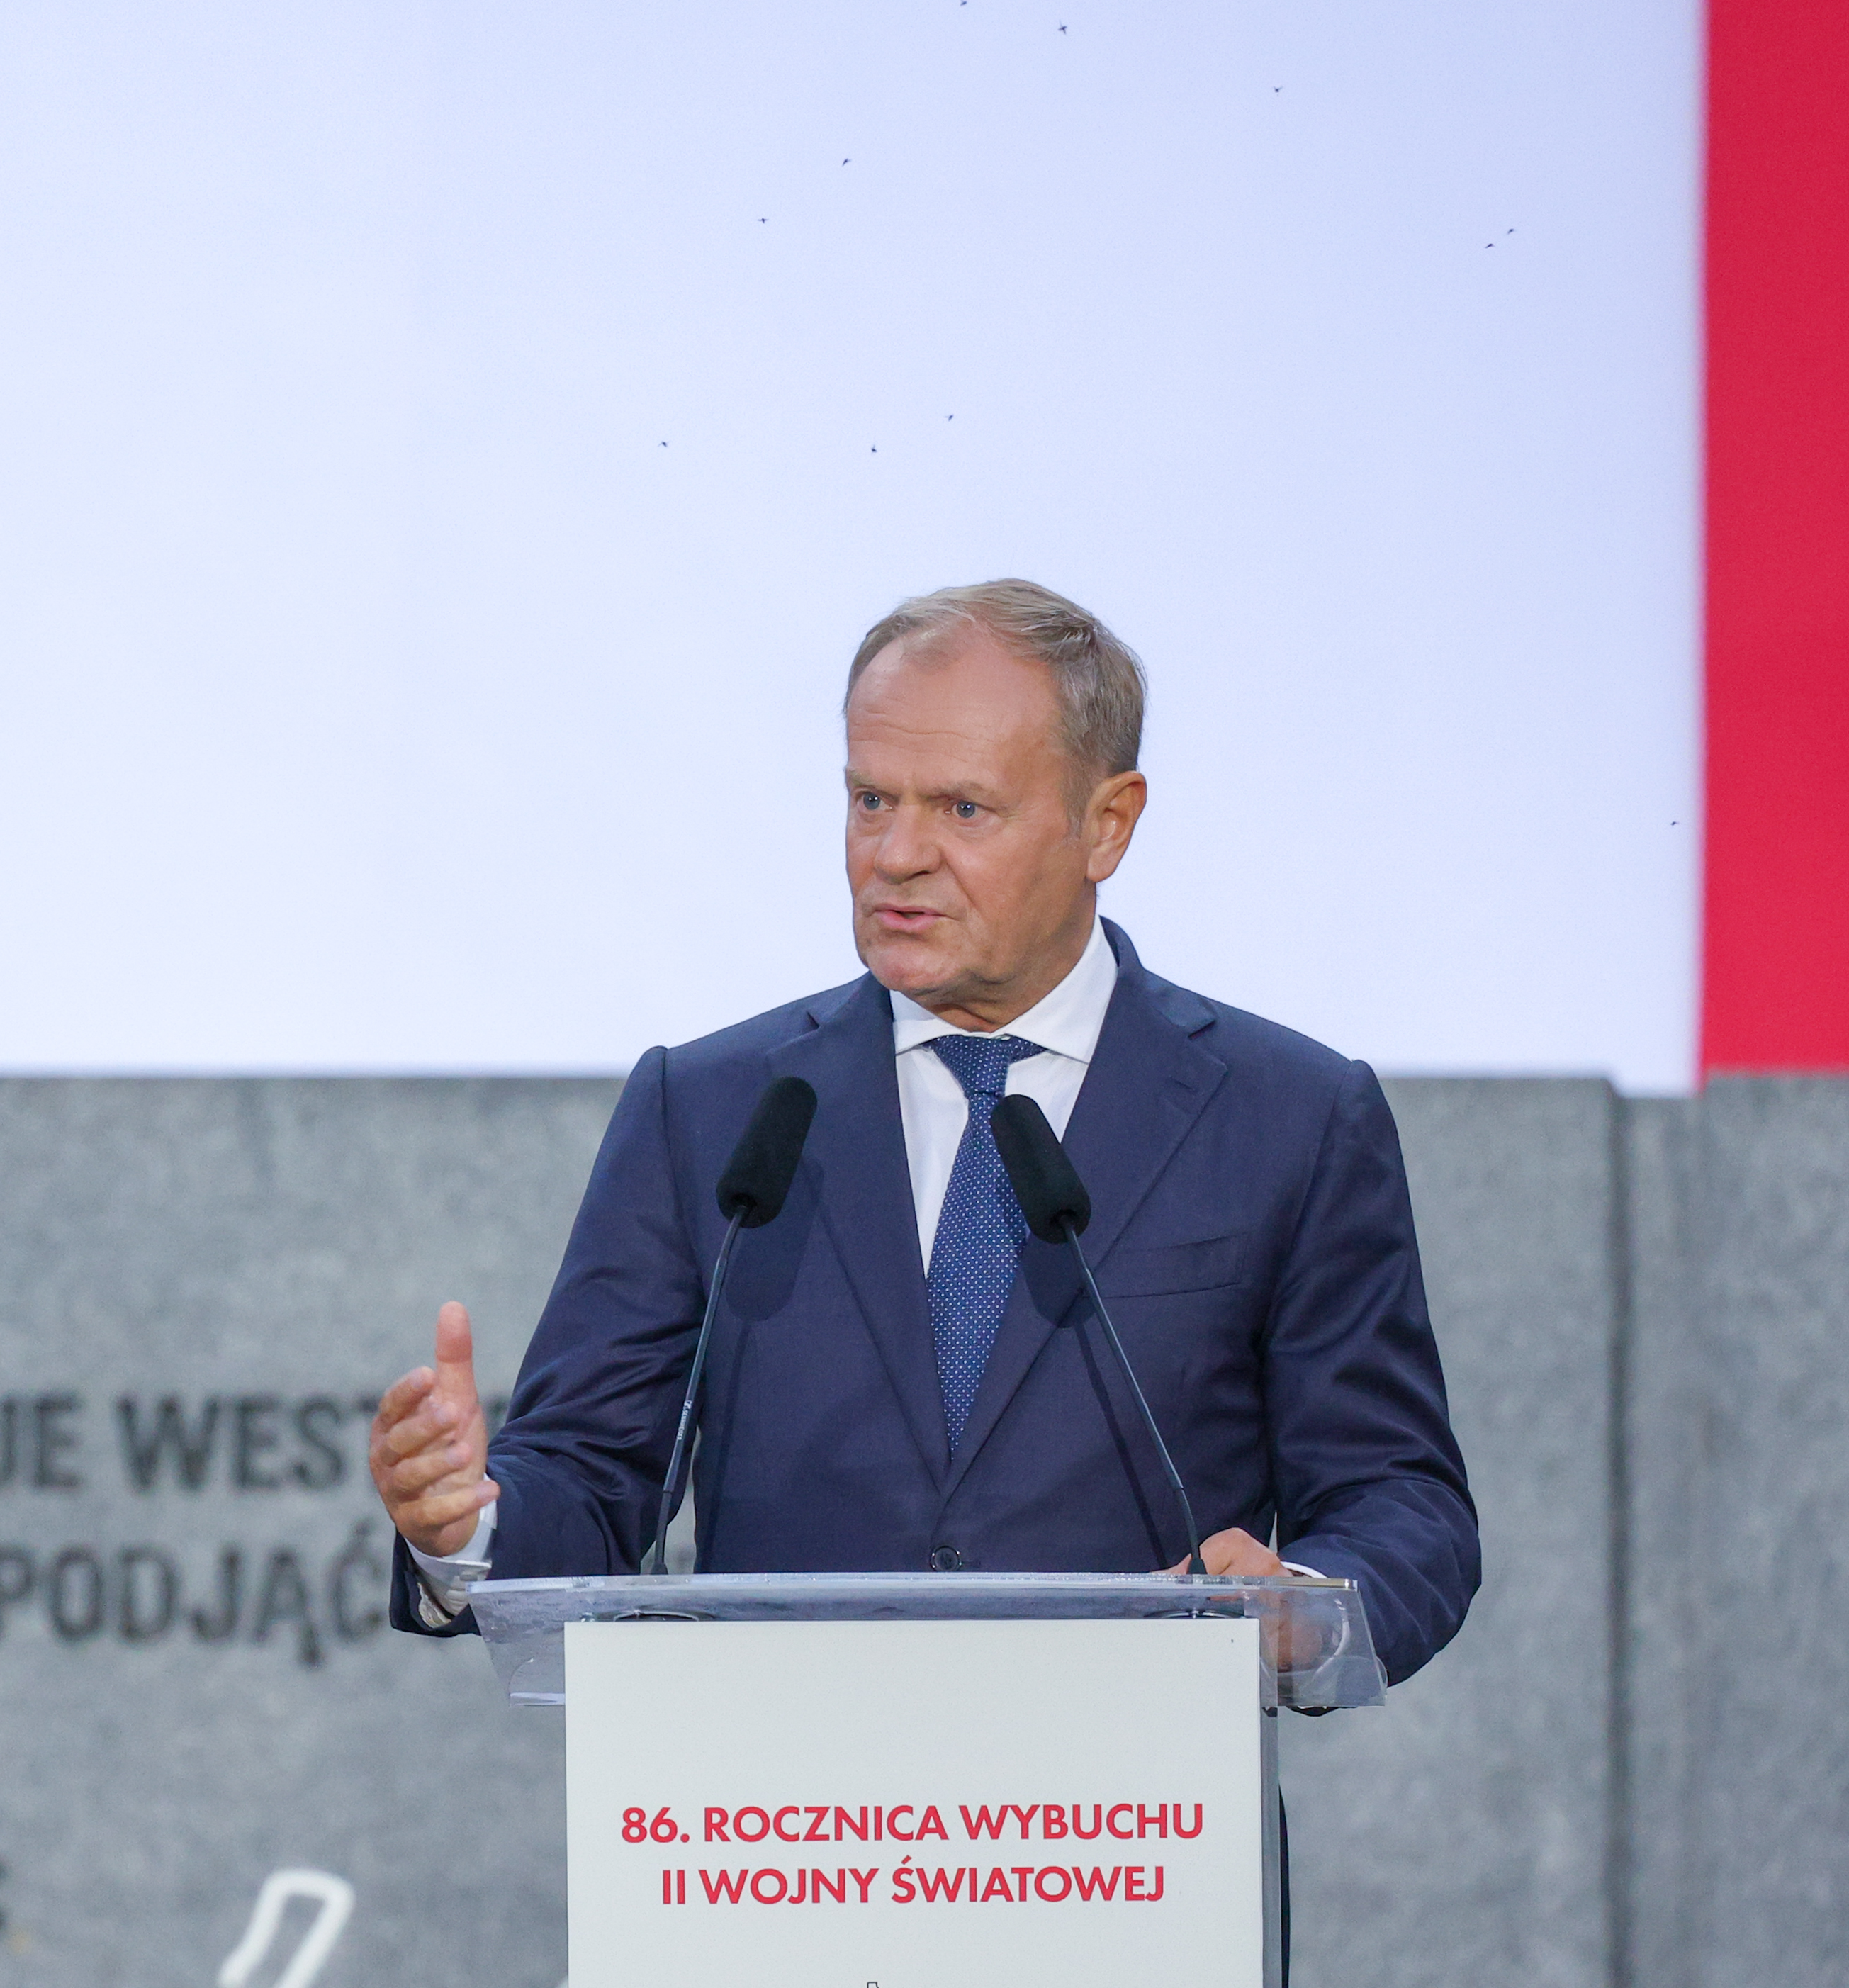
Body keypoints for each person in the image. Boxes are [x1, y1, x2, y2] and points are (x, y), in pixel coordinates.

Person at [371, 579, 1480, 1679]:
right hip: (775, 1826)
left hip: (1134, 1827)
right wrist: (463, 1525)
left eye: (960, 809)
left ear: (1107, 823)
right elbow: (592, 1478)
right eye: (868, 800)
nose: (894, 855)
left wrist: (1309, 1608)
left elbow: (1397, 1497)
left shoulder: (1285, 1116)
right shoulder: (708, 1111)